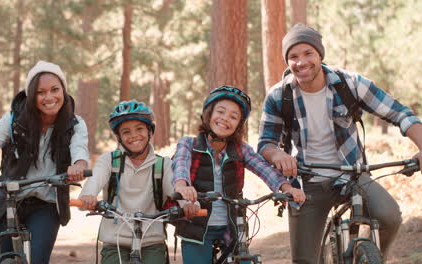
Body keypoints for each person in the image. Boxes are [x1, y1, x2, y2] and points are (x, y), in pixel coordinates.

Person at [258, 23, 422, 263]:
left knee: (390, 217)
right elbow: (266, 143)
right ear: (287, 61)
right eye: (293, 56)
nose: (301, 62)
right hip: (308, 181)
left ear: (319, 55)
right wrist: (278, 156)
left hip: (353, 174)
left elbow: (400, 113)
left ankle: (375, 257)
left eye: (308, 53)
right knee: (304, 260)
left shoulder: (350, 83)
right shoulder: (278, 95)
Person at [0, 60, 90, 264]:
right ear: (31, 96)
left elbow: (80, 149)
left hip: (46, 203)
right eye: (41, 92)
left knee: (36, 259)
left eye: (55, 89)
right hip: (6, 200)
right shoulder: (13, 121)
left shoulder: (75, 124)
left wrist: (78, 166)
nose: (49, 97)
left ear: (64, 90)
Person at [172, 85, 305, 264]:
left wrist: (287, 188)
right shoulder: (189, 144)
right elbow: (180, 164)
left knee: (244, 260)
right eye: (220, 112)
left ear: (239, 125)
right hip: (197, 222)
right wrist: (182, 186)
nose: (225, 119)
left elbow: (264, 169)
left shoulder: (240, 149)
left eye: (233, 117)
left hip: (232, 225)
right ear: (208, 114)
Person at [78, 100, 175, 264]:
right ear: (119, 137)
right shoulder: (109, 161)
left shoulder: (163, 164)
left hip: (151, 241)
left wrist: (186, 203)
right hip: (115, 240)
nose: (134, 135)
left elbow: (174, 190)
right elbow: (93, 183)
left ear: (150, 131)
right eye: (126, 131)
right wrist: (88, 196)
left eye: (139, 129)